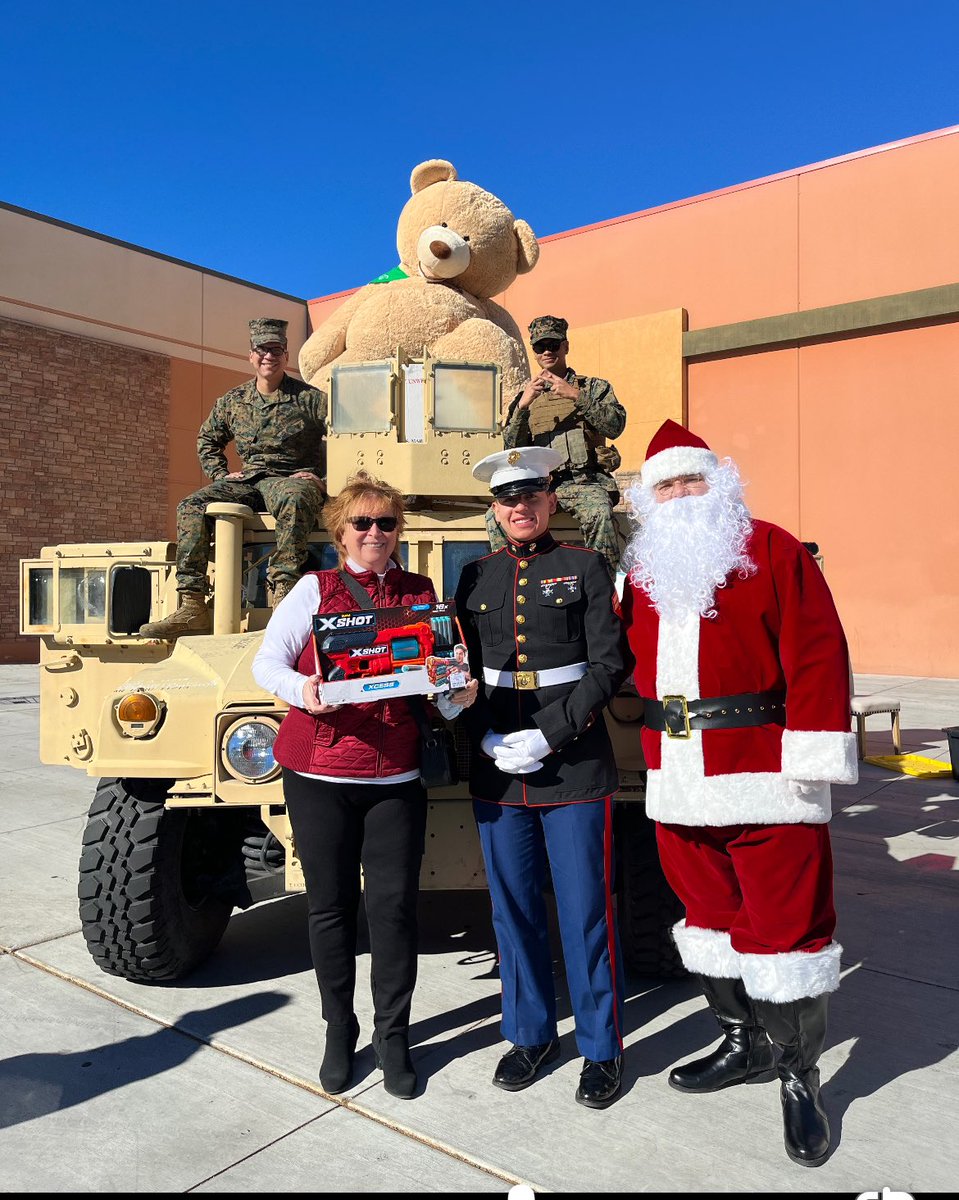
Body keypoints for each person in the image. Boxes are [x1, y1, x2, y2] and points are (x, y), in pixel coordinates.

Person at [619, 419, 858, 1167]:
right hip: (679, 783)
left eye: (692, 480)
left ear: (718, 482)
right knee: (709, 921)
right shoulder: (641, 572)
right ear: (647, 501)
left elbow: (818, 652)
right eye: (666, 485)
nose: (682, 495)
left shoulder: (771, 549)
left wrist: (810, 755)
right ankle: (741, 1041)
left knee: (786, 931)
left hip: (765, 776)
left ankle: (798, 1077)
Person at [251, 472, 478, 1099]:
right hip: (320, 771)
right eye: (363, 523)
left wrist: (457, 696)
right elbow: (265, 662)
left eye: (387, 522)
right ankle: (336, 1029)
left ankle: (394, 1036)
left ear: (399, 530)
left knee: (394, 910)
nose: (375, 533)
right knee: (329, 907)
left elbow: (438, 687)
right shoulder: (313, 590)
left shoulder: (421, 591)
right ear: (341, 532)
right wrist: (304, 690)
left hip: (395, 773)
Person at [456, 446, 629, 1109]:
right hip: (500, 770)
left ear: (550, 500)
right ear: (494, 511)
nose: (519, 507)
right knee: (512, 911)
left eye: (531, 495)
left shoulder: (583, 567)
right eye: (507, 500)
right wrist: (486, 736)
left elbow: (606, 665)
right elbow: (452, 671)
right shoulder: (473, 577)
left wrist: (550, 732)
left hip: (573, 767)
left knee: (587, 913)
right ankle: (529, 1034)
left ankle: (601, 1048)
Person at [140, 318, 327, 638]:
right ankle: (193, 604)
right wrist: (221, 475)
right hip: (249, 479)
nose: (269, 356)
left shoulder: (310, 399)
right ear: (250, 355)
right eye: (262, 349)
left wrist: (323, 477)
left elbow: (347, 436)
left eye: (276, 349)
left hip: (289, 478)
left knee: (296, 497)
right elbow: (207, 440)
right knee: (191, 504)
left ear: (286, 354)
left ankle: (283, 595)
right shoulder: (233, 402)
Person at [485, 315, 626, 579]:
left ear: (565, 346)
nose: (547, 351)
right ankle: (510, 580)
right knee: (494, 518)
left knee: (599, 511)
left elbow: (615, 425)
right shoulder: (525, 397)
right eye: (540, 346)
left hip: (584, 482)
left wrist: (577, 396)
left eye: (553, 344)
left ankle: (603, 586)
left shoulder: (593, 388)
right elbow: (512, 451)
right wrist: (523, 408)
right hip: (540, 486)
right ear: (535, 352)